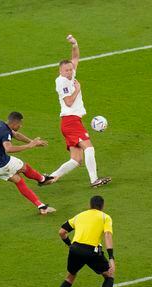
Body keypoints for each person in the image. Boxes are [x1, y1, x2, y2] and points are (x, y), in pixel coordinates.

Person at [50, 35, 111, 188]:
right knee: (89, 147)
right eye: (67, 70)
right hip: (71, 120)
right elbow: (69, 102)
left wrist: (74, 44)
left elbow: (75, 57)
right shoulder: (62, 82)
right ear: (61, 71)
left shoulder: (70, 75)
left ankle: (51, 177)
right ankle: (94, 180)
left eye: (71, 69)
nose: (70, 72)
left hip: (70, 122)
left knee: (76, 159)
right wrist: (77, 89)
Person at [0, 112, 56, 214]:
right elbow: (8, 148)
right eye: (19, 124)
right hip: (0, 164)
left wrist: (32, 142)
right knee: (24, 167)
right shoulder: (5, 133)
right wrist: (29, 146)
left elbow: (16, 135)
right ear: (14, 123)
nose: (20, 126)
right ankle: (43, 179)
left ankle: (41, 206)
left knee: (18, 181)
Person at [54, 196, 115, 287]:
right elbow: (107, 235)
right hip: (92, 252)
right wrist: (111, 257)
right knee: (109, 275)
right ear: (102, 206)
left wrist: (70, 245)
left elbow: (62, 232)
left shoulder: (79, 216)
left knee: (70, 277)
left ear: (90, 205)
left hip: (75, 249)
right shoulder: (105, 217)